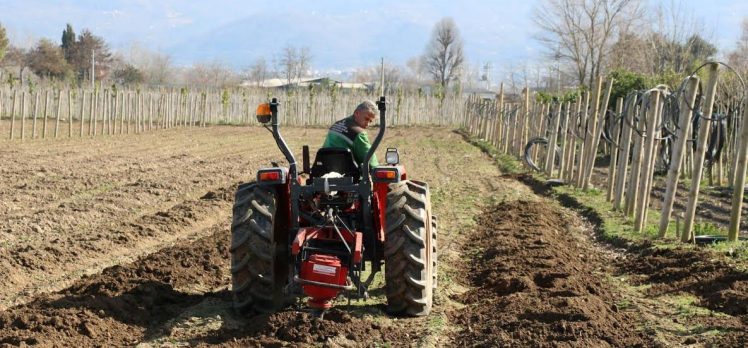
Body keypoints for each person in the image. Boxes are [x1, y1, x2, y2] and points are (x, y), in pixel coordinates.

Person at [322, 100, 379, 167]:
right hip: (347, 173)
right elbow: (371, 161)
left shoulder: (336, 125)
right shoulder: (359, 133)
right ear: (356, 113)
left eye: (370, 121)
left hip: (325, 168)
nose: (367, 124)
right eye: (366, 119)